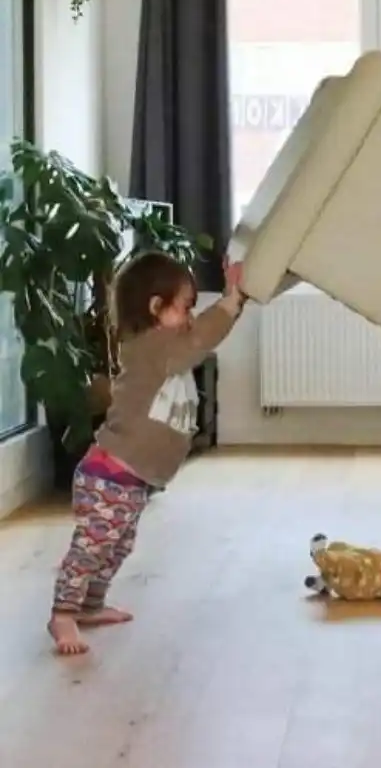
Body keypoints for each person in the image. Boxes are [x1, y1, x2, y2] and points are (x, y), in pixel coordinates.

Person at [48, 252, 248, 656]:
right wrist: (230, 301)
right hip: (108, 475)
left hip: (133, 480)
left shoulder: (167, 349)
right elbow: (200, 339)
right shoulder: (149, 348)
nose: (192, 318)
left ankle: (90, 606)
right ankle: (63, 613)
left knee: (117, 546)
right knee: (93, 545)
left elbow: (199, 338)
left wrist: (233, 300)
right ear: (156, 307)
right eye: (186, 307)